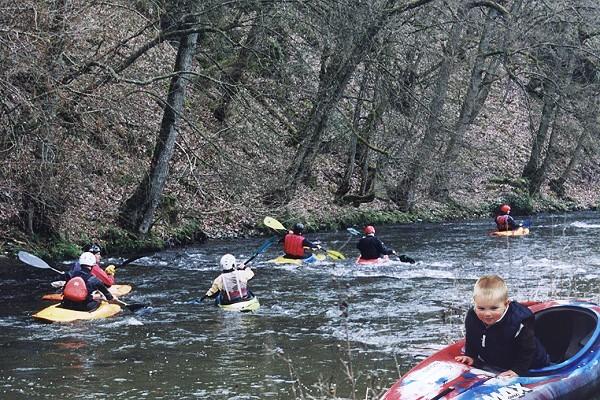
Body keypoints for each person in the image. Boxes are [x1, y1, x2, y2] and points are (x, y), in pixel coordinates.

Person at [454, 275, 550, 377]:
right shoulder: (472, 316)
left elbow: (528, 349)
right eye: (481, 308)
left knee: (527, 352)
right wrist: (470, 356)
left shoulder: (518, 321)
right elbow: (472, 338)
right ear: (475, 303)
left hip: (532, 365)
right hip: (497, 359)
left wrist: (517, 371)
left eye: (494, 308)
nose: (487, 313)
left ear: (506, 304)